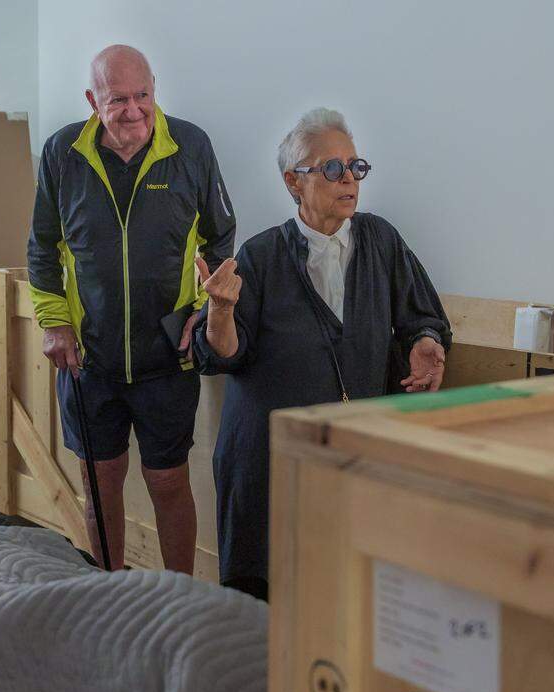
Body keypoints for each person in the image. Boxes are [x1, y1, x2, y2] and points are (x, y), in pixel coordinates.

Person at [192, 108, 451, 600]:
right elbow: (225, 354)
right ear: (294, 181)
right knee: (267, 600)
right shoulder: (260, 255)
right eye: (332, 169)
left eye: (356, 167)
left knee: (345, 595)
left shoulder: (381, 240)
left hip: (353, 459)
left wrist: (425, 344)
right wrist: (220, 312)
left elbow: (422, 316)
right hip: (270, 463)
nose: (349, 179)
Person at [27, 45, 235, 572]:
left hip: (167, 355)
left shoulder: (190, 146)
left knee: (168, 481)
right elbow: (42, 246)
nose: (134, 111)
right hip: (88, 358)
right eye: (118, 99)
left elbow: (221, 238)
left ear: (154, 88)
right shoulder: (61, 153)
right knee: (100, 483)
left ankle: (178, 597)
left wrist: (200, 315)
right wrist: (54, 324)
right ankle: (109, 590)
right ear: (92, 100)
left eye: (143, 95)